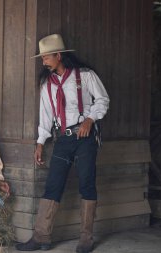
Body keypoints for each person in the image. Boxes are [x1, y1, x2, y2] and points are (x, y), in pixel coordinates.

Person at [16, 34, 109, 253]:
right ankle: (41, 236)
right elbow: (46, 115)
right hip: (62, 139)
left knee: (87, 182)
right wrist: (40, 142)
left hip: (85, 137)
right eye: (42, 58)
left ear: (59, 55)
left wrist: (89, 119)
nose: (43, 61)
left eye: (46, 57)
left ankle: (86, 238)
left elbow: (103, 99)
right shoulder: (47, 84)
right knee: (53, 184)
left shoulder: (85, 76)